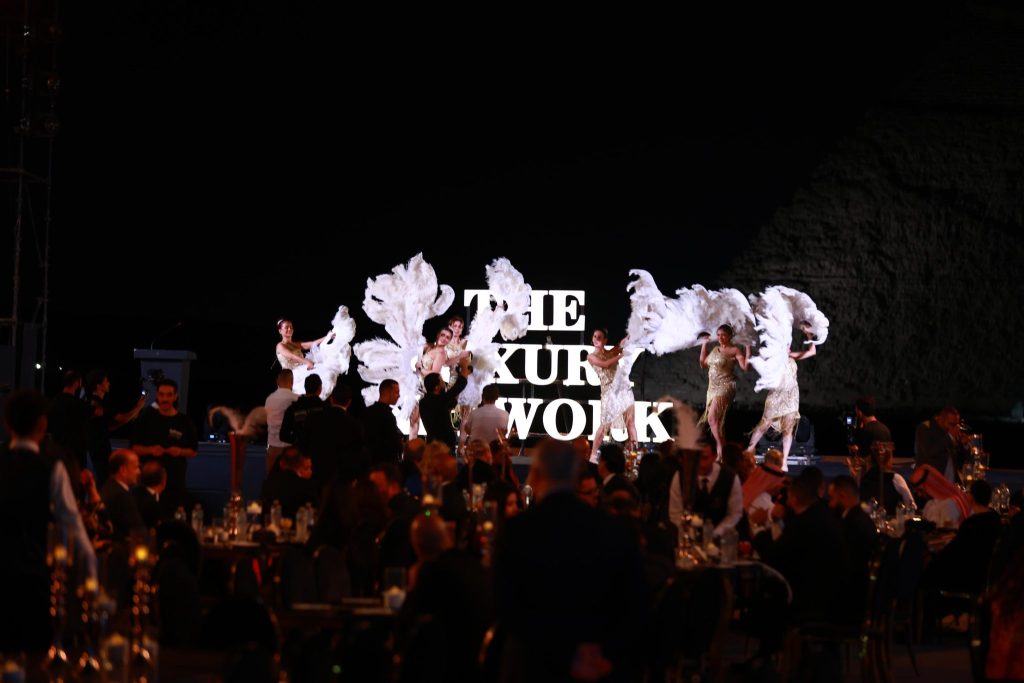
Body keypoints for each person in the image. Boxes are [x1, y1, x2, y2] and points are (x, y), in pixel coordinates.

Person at [746, 322, 816, 471]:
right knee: (764, 425)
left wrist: (809, 335)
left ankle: (784, 461)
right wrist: (749, 345)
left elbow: (812, 351)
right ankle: (749, 451)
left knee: (788, 429)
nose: (787, 347)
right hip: (776, 396)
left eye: (788, 344)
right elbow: (754, 361)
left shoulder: (792, 357)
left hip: (791, 397)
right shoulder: (772, 358)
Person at [131, 378, 198, 514]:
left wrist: (180, 451)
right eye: (161, 394)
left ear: (175, 396)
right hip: (149, 481)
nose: (165, 399)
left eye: (169, 395)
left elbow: (193, 451)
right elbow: (134, 447)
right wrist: (151, 450)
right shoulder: (145, 418)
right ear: (157, 395)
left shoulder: (184, 421)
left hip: (175, 481)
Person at [698, 324, 750, 461]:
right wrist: (704, 344)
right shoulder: (715, 349)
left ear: (730, 336)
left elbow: (745, 367)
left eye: (723, 335)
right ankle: (723, 454)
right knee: (718, 422)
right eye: (718, 335)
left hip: (726, 386)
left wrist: (748, 348)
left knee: (711, 418)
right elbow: (703, 364)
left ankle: (721, 449)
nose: (720, 338)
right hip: (712, 388)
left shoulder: (735, 350)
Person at [586, 328, 637, 463]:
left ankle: (634, 454)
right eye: (595, 336)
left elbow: (622, 343)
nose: (596, 339)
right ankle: (593, 456)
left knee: (630, 422)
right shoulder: (591, 356)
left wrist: (636, 329)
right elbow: (606, 364)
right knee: (604, 426)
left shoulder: (611, 352)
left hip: (623, 389)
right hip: (609, 392)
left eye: (599, 337)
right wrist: (622, 355)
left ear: (605, 340)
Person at [915, 406, 970, 483]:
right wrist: (949, 437)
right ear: (940, 419)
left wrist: (965, 445)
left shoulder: (953, 432)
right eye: (951, 424)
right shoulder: (925, 428)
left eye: (956, 424)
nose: (954, 427)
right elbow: (929, 452)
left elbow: (962, 459)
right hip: (931, 481)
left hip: (950, 481)